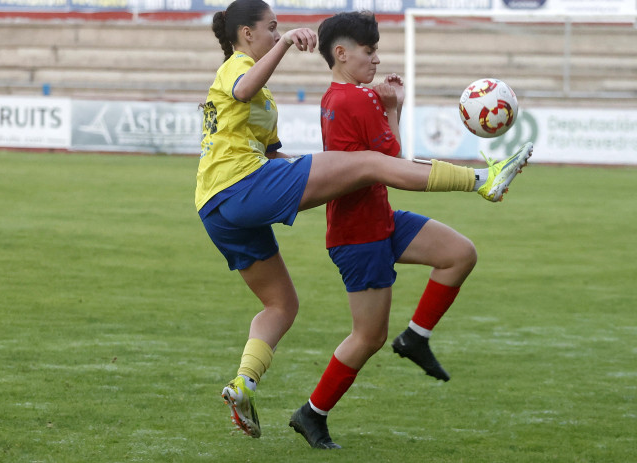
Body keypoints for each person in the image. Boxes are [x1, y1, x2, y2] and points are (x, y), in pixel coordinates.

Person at [197, 0, 533, 441]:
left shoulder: (267, 95)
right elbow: (242, 89)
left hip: (219, 206)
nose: (276, 34)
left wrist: (326, 168)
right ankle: (481, 180)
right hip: (242, 187)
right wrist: (283, 44)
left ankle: (243, 383)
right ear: (246, 34)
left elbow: (279, 151)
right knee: (368, 328)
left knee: (282, 305)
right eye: (271, 28)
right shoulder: (237, 67)